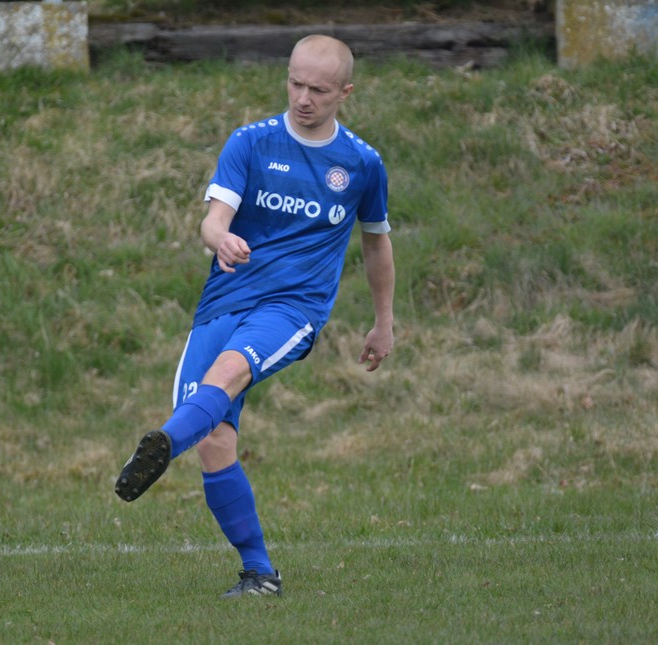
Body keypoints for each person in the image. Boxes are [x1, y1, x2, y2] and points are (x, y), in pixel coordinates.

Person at [115, 34, 395, 598]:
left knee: (226, 374)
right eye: (295, 83)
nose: (303, 98)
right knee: (214, 439)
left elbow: (375, 244)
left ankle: (165, 441)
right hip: (224, 299)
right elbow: (212, 220)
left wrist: (383, 321)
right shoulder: (250, 142)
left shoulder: (362, 164)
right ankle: (259, 574)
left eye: (318, 90)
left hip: (293, 306)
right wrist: (220, 239)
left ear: (345, 92)